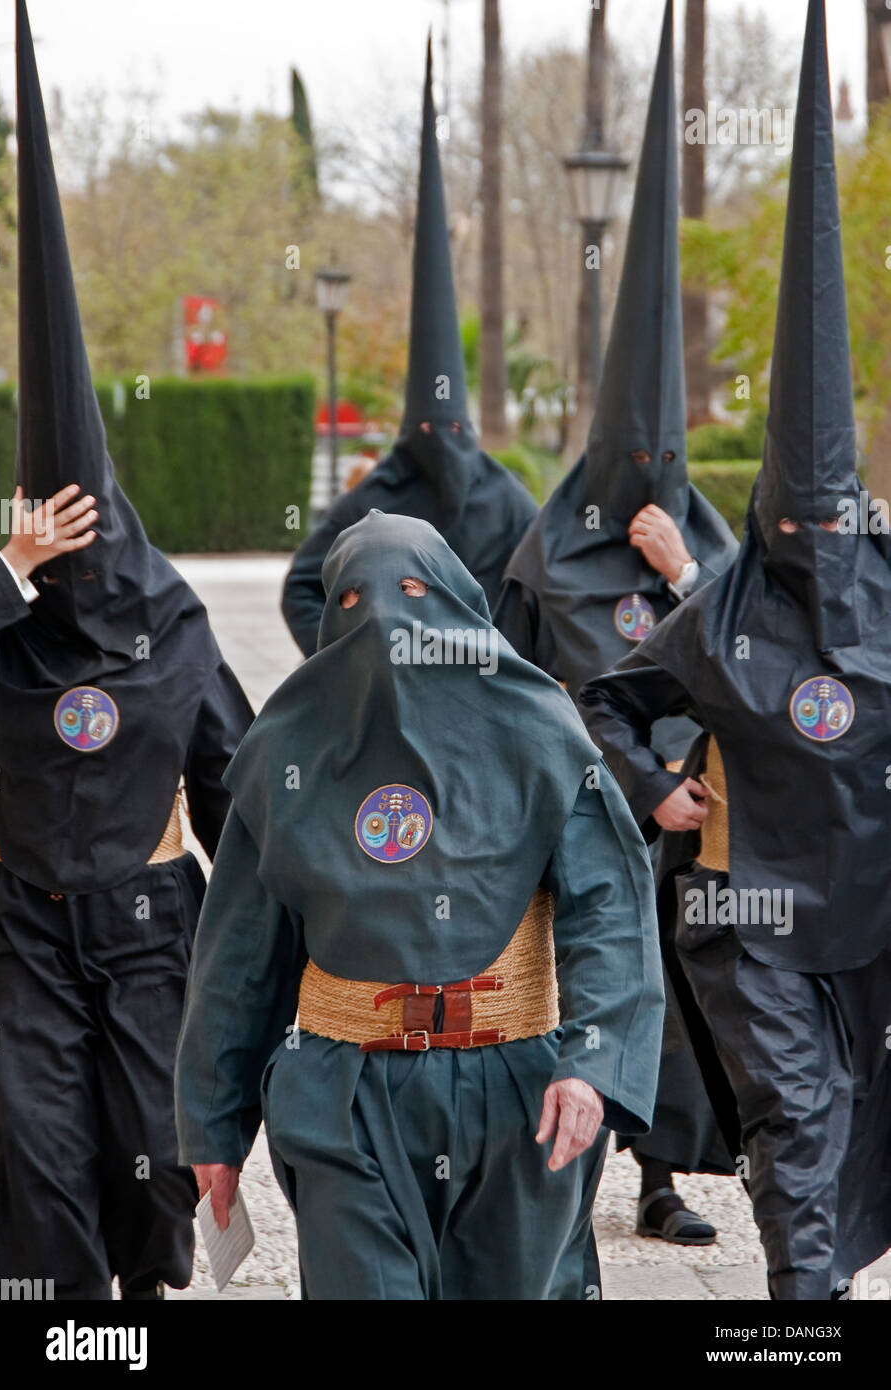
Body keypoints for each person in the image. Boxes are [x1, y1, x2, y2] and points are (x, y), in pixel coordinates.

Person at [580, 0, 891, 1301]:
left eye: (832, 518)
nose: (812, 538)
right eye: (792, 520)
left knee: (851, 1119)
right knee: (793, 1124)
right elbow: (598, 695)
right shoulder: (712, 611)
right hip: (743, 902)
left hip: (865, 906)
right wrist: (656, 785)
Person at [176, 509, 665, 1300]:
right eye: (356, 602)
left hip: (517, 1094)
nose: (389, 623)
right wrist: (214, 1125)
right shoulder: (284, 750)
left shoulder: (541, 731)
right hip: (343, 1093)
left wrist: (591, 1064)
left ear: (454, 602)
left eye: (411, 591)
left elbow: (608, 908)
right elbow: (237, 956)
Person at [0, 1, 253, 1302]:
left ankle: (139, 1304)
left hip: (150, 917)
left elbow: (245, 787)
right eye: (58, 549)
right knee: (36, 1153)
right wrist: (8, 575)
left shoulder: (177, 630)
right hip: (20, 917)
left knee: (153, 1148)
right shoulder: (6, 616)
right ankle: (68, 1328)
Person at [495, 0, 737, 1245]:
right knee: (582, 984)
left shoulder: (709, 542)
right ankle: (563, 1181)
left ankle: (663, 1175)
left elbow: (747, 658)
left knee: (685, 999)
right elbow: (515, 687)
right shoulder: (543, 554)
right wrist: (617, 784)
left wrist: (686, 561)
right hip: (578, 818)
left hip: (689, 826)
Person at [281, 40, 536, 659]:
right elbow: (302, 589)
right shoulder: (370, 504)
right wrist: (351, 656)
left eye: (451, 426)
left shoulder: (507, 501)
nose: (440, 440)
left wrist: (508, 665)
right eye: (428, 427)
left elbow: (542, 593)